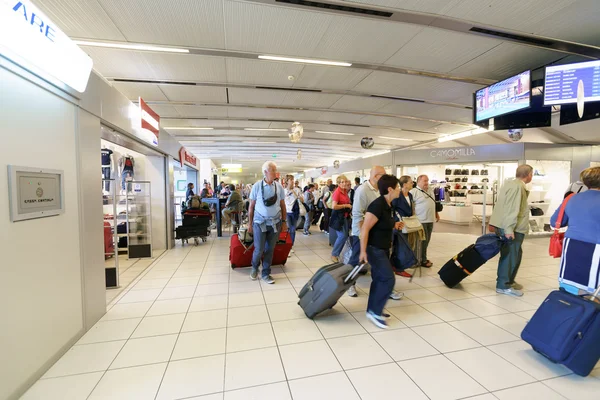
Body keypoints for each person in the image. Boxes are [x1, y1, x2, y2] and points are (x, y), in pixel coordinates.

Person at [346, 166, 404, 301]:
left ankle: (384, 288)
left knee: (380, 264)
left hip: (378, 236)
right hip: (361, 234)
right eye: (383, 176)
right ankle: (350, 284)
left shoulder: (381, 191)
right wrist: (362, 233)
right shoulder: (362, 190)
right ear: (376, 176)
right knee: (356, 261)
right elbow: (357, 214)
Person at [359, 174, 405, 329]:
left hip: (384, 248)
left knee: (379, 279)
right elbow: (365, 229)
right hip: (374, 249)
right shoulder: (377, 205)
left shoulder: (388, 204)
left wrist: (394, 225)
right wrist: (362, 251)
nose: (399, 190)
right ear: (390, 189)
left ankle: (372, 309)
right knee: (388, 279)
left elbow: (382, 224)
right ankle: (375, 312)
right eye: (398, 187)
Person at [550, 167, 600, 295]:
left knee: (572, 279)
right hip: (596, 246)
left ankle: (574, 306)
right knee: (593, 283)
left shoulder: (571, 198)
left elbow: (555, 221)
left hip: (571, 244)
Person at [489, 164, 533, 297]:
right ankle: (503, 285)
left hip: (509, 226)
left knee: (515, 255)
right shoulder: (517, 187)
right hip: (512, 227)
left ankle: (509, 281)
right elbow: (511, 209)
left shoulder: (510, 184)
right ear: (529, 175)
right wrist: (509, 229)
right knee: (509, 256)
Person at [248, 161, 287, 284]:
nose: (276, 173)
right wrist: (250, 224)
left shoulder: (279, 187)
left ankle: (266, 273)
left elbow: (282, 205)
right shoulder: (257, 186)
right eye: (273, 170)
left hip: (275, 223)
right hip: (259, 223)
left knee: (270, 249)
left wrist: (284, 222)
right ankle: (254, 268)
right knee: (259, 249)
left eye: (276, 170)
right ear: (265, 172)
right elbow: (251, 206)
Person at [391, 175, 418, 278]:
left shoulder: (410, 195)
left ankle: (395, 265)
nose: (412, 183)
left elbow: (411, 208)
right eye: (411, 182)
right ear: (405, 184)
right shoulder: (398, 195)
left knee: (402, 246)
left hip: (408, 224)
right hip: (399, 224)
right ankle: (399, 268)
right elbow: (393, 210)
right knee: (401, 247)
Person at [410, 175, 439, 268]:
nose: (426, 183)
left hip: (430, 220)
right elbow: (410, 206)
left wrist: (436, 214)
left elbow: (433, 203)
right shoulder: (413, 192)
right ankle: (416, 260)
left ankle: (423, 259)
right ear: (418, 181)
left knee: (426, 241)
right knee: (419, 242)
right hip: (420, 220)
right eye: (424, 181)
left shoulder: (430, 190)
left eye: (427, 180)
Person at [331, 175, 352, 262]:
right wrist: (345, 205)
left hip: (345, 217)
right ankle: (334, 254)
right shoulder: (337, 192)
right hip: (338, 218)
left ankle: (337, 254)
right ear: (338, 183)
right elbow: (334, 206)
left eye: (345, 182)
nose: (344, 184)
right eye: (342, 182)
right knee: (342, 236)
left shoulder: (345, 192)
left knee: (345, 235)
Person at [284, 175, 302, 254]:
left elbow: (302, 200)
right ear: (287, 181)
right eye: (291, 179)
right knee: (288, 228)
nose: (292, 181)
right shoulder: (283, 190)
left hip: (295, 212)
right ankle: (287, 244)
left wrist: (294, 193)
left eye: (293, 179)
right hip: (287, 212)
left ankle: (291, 245)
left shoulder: (297, 189)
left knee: (293, 229)